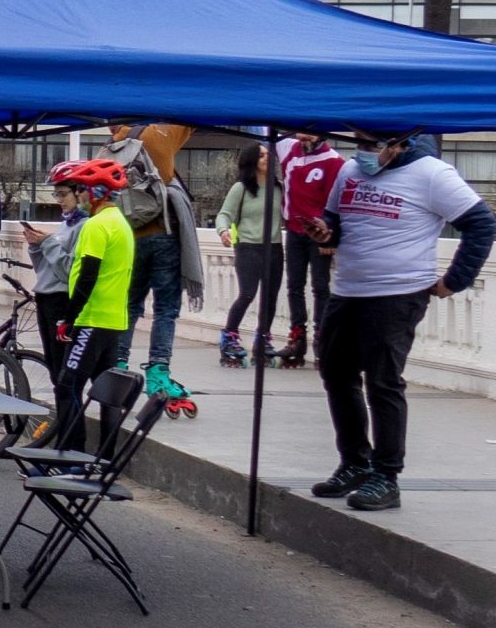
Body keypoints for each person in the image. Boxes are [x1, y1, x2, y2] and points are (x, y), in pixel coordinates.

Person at [304, 130, 496, 511]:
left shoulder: (433, 174)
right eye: (358, 143)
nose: (363, 152)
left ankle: (386, 475)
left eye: (371, 145)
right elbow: (335, 221)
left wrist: (454, 281)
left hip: (397, 294)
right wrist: (324, 230)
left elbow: (482, 224)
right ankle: (355, 462)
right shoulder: (348, 172)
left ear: (399, 144)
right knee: (335, 374)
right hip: (348, 290)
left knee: (382, 382)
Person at [104, 124, 203, 416]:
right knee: (166, 308)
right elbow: (191, 119)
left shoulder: (114, 142)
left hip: (129, 234)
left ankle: (119, 366)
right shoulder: (159, 133)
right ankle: (158, 373)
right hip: (163, 232)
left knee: (130, 305)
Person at [46, 159, 135, 458]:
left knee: (68, 385)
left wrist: (69, 320)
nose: (80, 197)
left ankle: (70, 456)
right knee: (107, 393)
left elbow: (87, 276)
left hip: (92, 319)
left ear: (96, 192)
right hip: (115, 320)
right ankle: (106, 458)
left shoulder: (96, 226)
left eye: (83, 191)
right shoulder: (122, 224)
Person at [278, 130, 346, 366]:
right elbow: (260, 129)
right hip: (294, 229)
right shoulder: (289, 150)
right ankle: (297, 335)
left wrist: (331, 240)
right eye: (300, 132)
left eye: (309, 133)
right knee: (294, 286)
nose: (303, 137)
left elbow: (337, 203)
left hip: (319, 234)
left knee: (320, 286)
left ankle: (322, 336)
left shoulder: (334, 161)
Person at [215, 144, 282, 368]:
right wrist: (224, 231)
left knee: (270, 297)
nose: (266, 158)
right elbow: (224, 214)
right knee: (248, 293)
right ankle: (230, 336)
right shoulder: (241, 188)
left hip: (274, 247)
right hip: (248, 247)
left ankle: (263, 337)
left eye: (268, 155)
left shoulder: (278, 187)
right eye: (261, 155)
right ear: (252, 159)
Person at [21, 166, 87, 381]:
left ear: (78, 193)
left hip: (60, 300)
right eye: (56, 194)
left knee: (61, 365)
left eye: (63, 194)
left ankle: (67, 411)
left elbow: (68, 271)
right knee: (52, 363)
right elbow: (45, 269)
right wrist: (35, 246)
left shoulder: (83, 226)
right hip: (45, 297)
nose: (59, 200)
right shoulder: (66, 224)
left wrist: (48, 243)